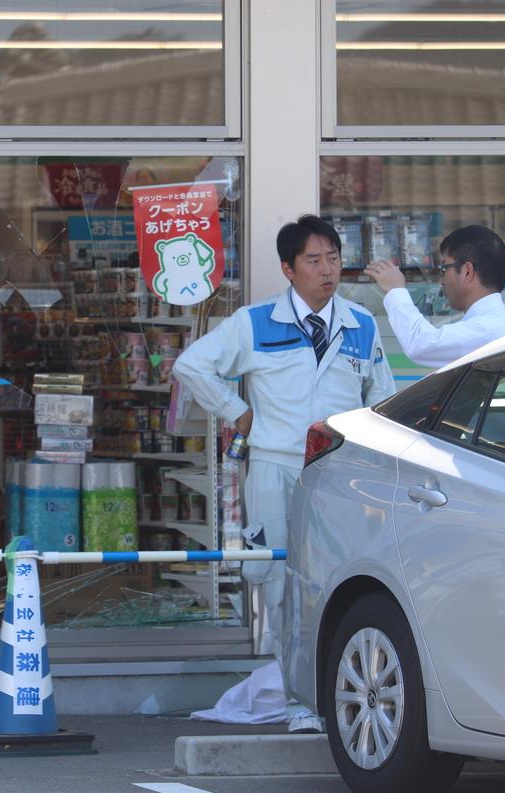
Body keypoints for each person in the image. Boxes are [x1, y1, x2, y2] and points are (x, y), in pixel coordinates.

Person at [173, 214, 396, 733]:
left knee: (337, 580)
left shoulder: (361, 323)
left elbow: (381, 397)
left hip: (338, 475)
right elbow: (191, 364)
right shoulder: (256, 322)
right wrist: (239, 414)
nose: (327, 270)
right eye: (314, 261)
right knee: (278, 582)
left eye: (333, 258)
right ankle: (297, 700)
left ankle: (326, 694)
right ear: (288, 269)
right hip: (274, 468)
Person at [365, 225, 505, 369]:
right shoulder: (492, 323)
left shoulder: (488, 329)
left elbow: (420, 344)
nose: (441, 280)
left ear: (467, 272)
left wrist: (396, 290)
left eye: (443, 268)